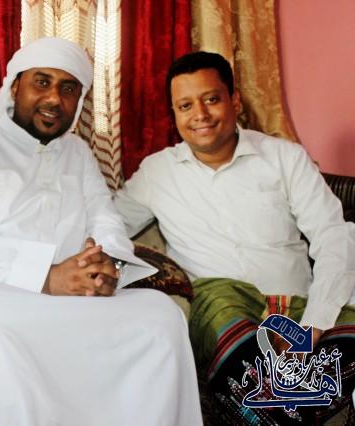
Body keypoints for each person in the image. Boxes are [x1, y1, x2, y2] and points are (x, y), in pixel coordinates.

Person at [0, 37, 202, 426]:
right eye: (42, 82)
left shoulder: (78, 153)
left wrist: (108, 267)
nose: (54, 98)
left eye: (68, 88)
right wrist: (48, 275)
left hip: (60, 299)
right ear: (15, 86)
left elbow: (106, 221)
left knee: (160, 316)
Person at [115, 51, 355, 424]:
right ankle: (286, 402)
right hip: (222, 314)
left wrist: (312, 326)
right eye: (185, 106)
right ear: (174, 114)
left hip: (297, 308)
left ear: (235, 101)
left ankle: (281, 406)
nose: (200, 114)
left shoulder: (285, 158)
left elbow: (333, 237)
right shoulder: (157, 173)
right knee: (221, 304)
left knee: (342, 347)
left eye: (211, 99)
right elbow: (107, 226)